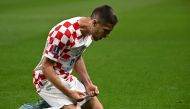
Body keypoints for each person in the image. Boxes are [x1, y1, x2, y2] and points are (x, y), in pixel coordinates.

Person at [32, 5, 118, 109]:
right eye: (105, 30)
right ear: (94, 22)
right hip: (46, 81)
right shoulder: (64, 33)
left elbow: (77, 57)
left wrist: (88, 84)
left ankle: (49, 104)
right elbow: (46, 68)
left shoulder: (89, 33)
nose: (106, 35)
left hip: (66, 78)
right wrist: (68, 93)